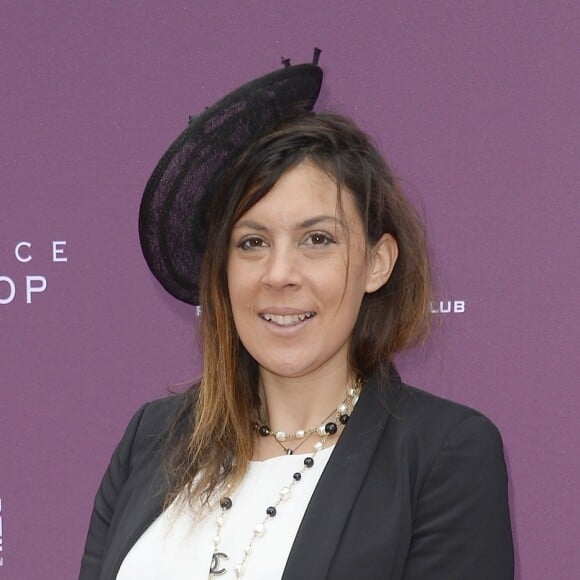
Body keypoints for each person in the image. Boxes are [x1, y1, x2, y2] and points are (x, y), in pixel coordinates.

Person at [79, 52, 514, 579]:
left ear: (378, 263)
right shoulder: (151, 439)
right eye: (252, 242)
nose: (279, 273)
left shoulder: (442, 454)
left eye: (317, 239)